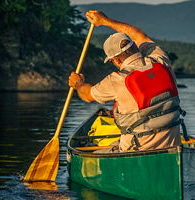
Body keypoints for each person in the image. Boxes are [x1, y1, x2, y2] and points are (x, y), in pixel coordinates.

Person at [69, 10, 186, 152]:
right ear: (135, 47)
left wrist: (78, 84)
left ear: (116, 60)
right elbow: (139, 35)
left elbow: (87, 96)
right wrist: (105, 21)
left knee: (97, 151)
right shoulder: (160, 60)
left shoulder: (117, 80)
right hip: (172, 148)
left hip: (135, 150)